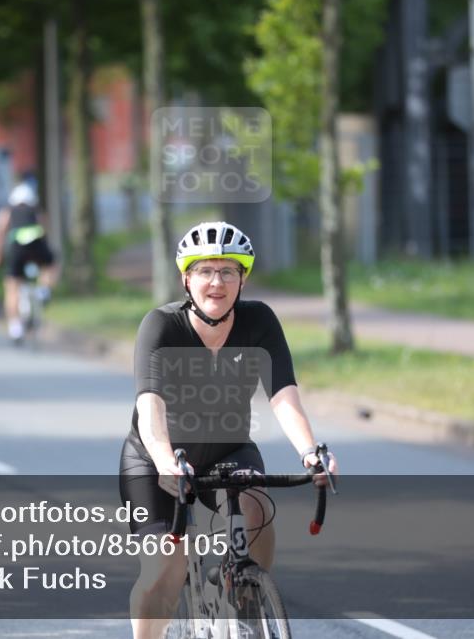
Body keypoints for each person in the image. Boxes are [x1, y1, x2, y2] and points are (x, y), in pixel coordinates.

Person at [118, 221, 338, 639]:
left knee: (257, 509)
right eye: (204, 271)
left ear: (243, 279)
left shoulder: (260, 322)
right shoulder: (161, 327)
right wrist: (168, 465)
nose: (216, 282)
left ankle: (247, 599)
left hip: (228, 448)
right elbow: (150, 412)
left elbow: (284, 396)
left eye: (228, 272)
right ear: (186, 278)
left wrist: (311, 452)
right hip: (157, 457)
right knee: (165, 566)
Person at [0, 178, 58, 343]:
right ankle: (44, 290)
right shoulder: (36, 210)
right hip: (37, 243)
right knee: (50, 264)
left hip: (17, 247)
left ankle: (15, 327)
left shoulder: (8, 210)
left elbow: (0, 231)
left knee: (12, 286)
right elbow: (45, 228)